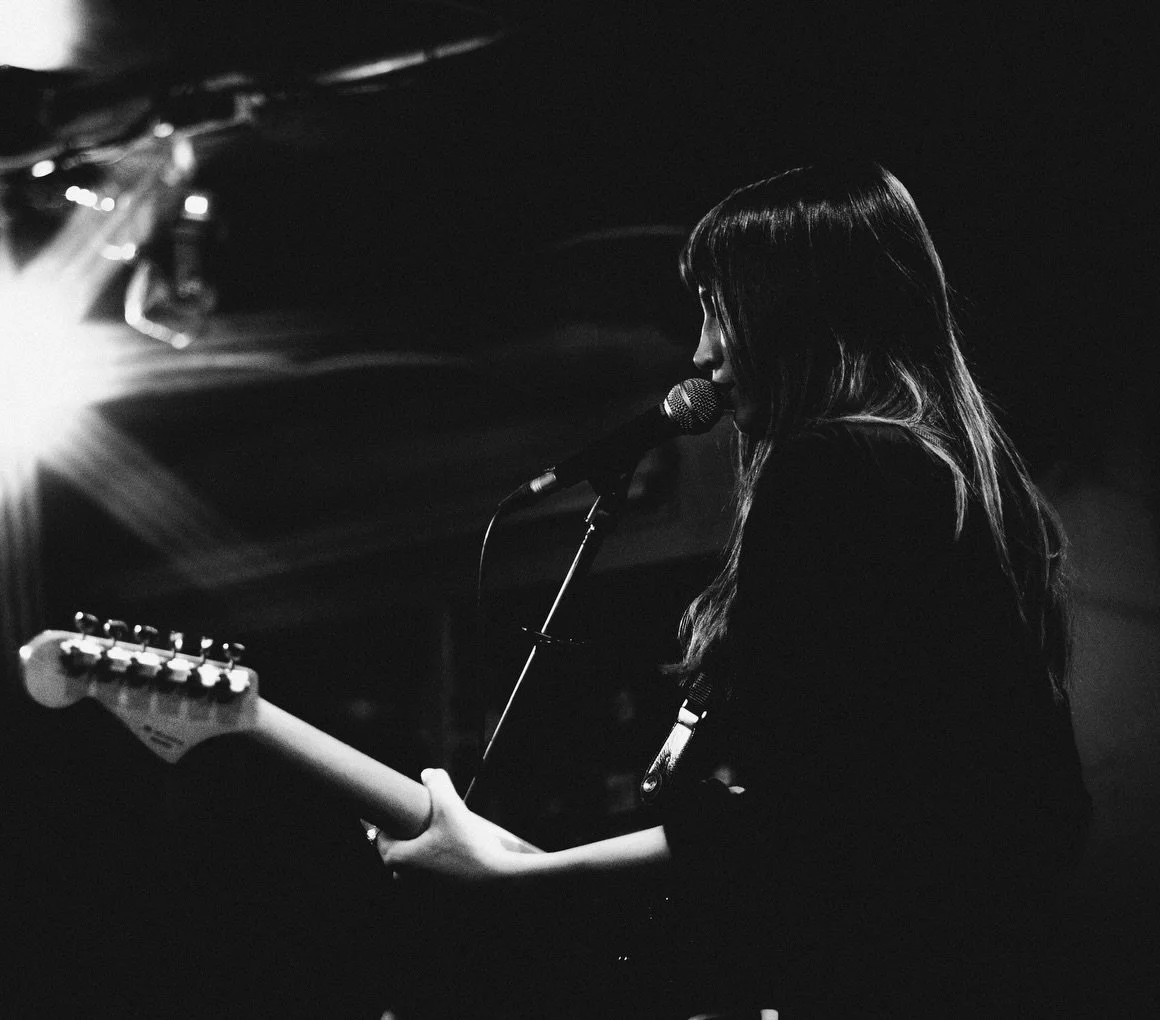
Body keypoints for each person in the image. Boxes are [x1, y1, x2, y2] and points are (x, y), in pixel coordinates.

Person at [376, 161, 1091, 1018]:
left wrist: (521, 879)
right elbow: (897, 805)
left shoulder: (839, 465)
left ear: (798, 312)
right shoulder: (982, 492)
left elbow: (799, 823)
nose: (702, 353)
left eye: (720, 308)